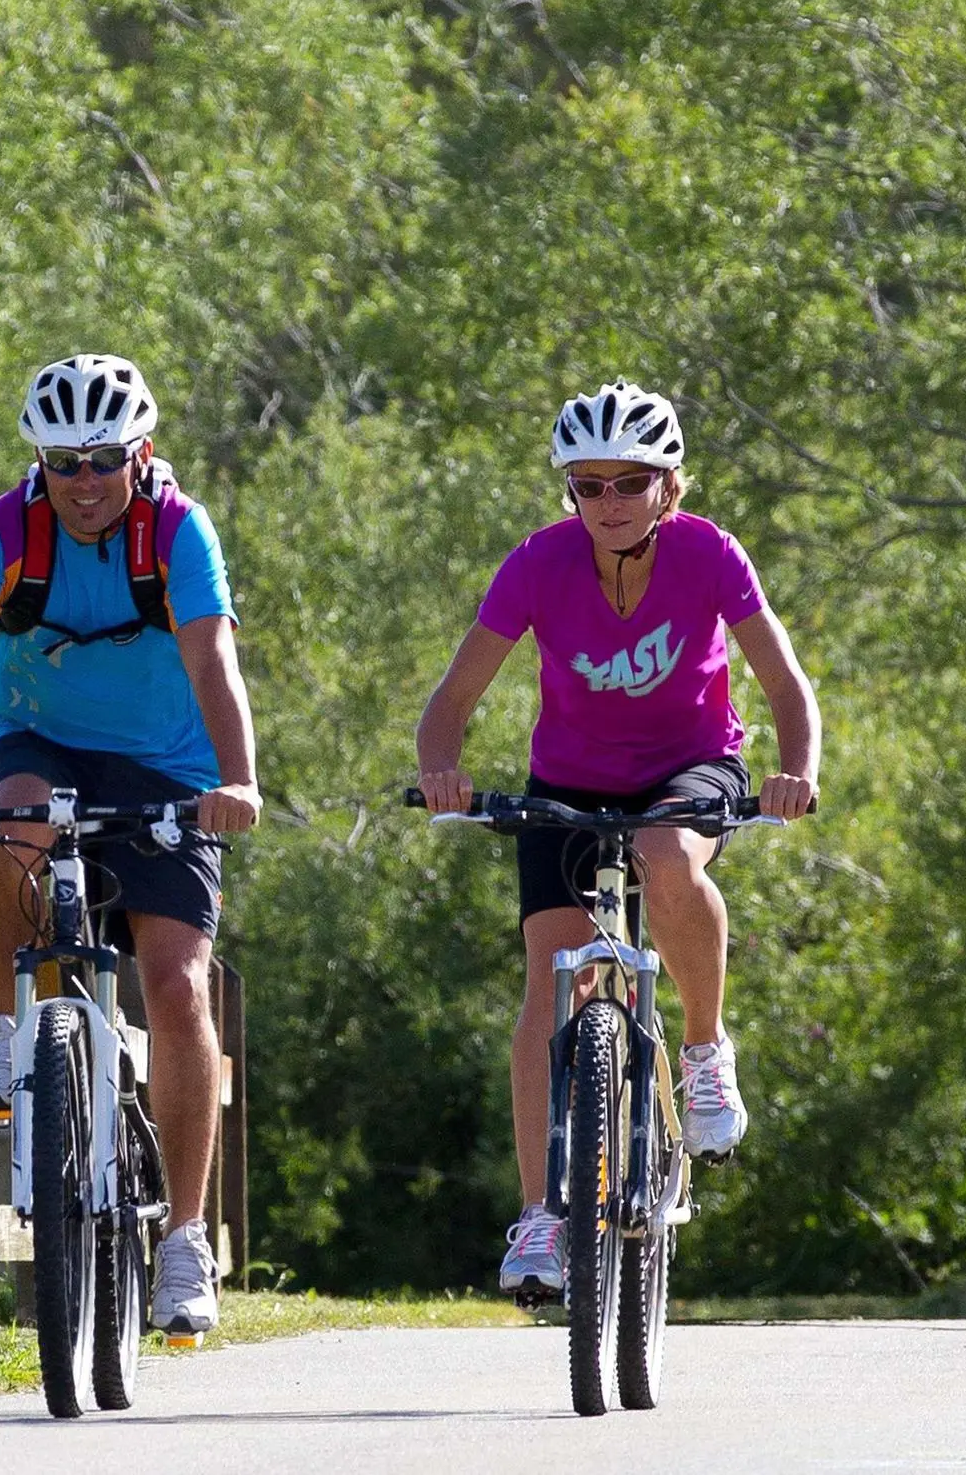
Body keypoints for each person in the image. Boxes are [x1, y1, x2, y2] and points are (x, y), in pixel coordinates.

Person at [0, 352, 261, 1337]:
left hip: (169, 767)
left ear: (141, 453)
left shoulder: (177, 531)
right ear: (38, 462)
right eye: (62, 462)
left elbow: (213, 654)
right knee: (16, 828)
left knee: (175, 987)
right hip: (38, 743)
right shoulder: (1, 532)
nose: (84, 481)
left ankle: (182, 1240)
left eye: (103, 460)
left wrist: (237, 778)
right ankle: (7, 1029)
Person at [414, 378, 819, 1297]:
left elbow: (787, 687)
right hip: (569, 784)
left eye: (627, 483)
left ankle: (706, 1053)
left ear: (667, 487)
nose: (605, 504)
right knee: (549, 983)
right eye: (585, 485)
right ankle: (539, 1218)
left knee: (666, 856)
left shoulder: (709, 553)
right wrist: (444, 767)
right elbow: (452, 699)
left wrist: (796, 769)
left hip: (690, 768)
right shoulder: (536, 563)